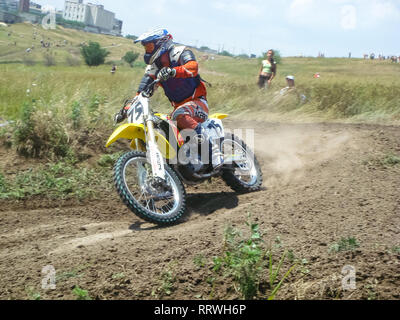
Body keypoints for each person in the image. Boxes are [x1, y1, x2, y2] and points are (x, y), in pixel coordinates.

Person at [115, 28, 223, 169]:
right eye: (145, 47)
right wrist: (126, 110)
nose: (147, 51)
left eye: (149, 46)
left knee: (180, 115)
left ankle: (214, 153)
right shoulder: (153, 68)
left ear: (161, 43)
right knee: (163, 124)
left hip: (198, 102)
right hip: (179, 107)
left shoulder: (179, 53)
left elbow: (193, 67)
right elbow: (141, 93)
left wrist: (173, 71)